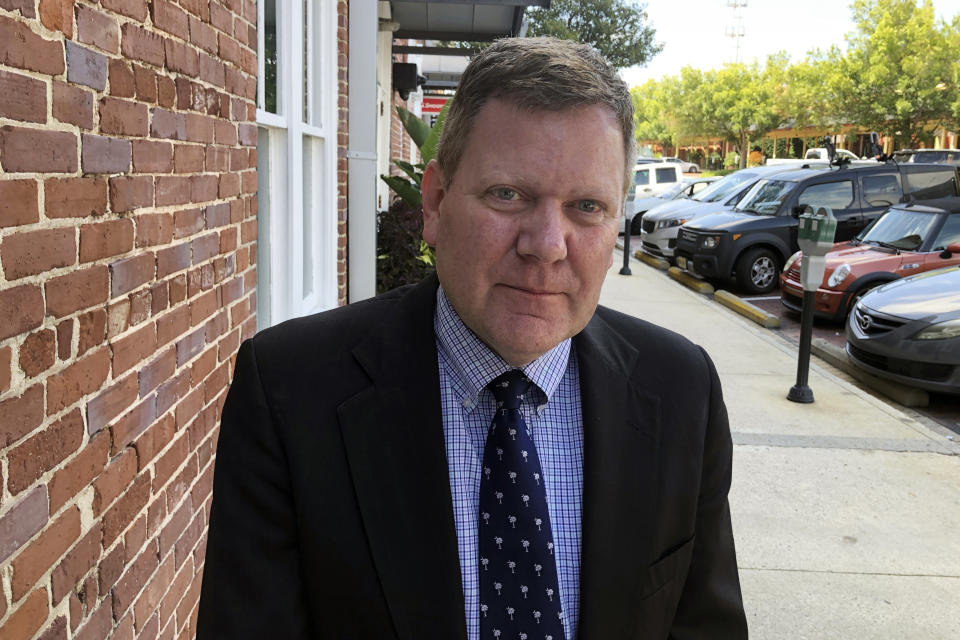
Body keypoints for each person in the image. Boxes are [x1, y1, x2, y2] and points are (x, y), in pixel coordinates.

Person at [197, 37, 747, 640]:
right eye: (507, 195)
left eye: (587, 206)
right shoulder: (291, 392)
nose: (546, 244)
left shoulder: (679, 390)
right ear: (435, 202)